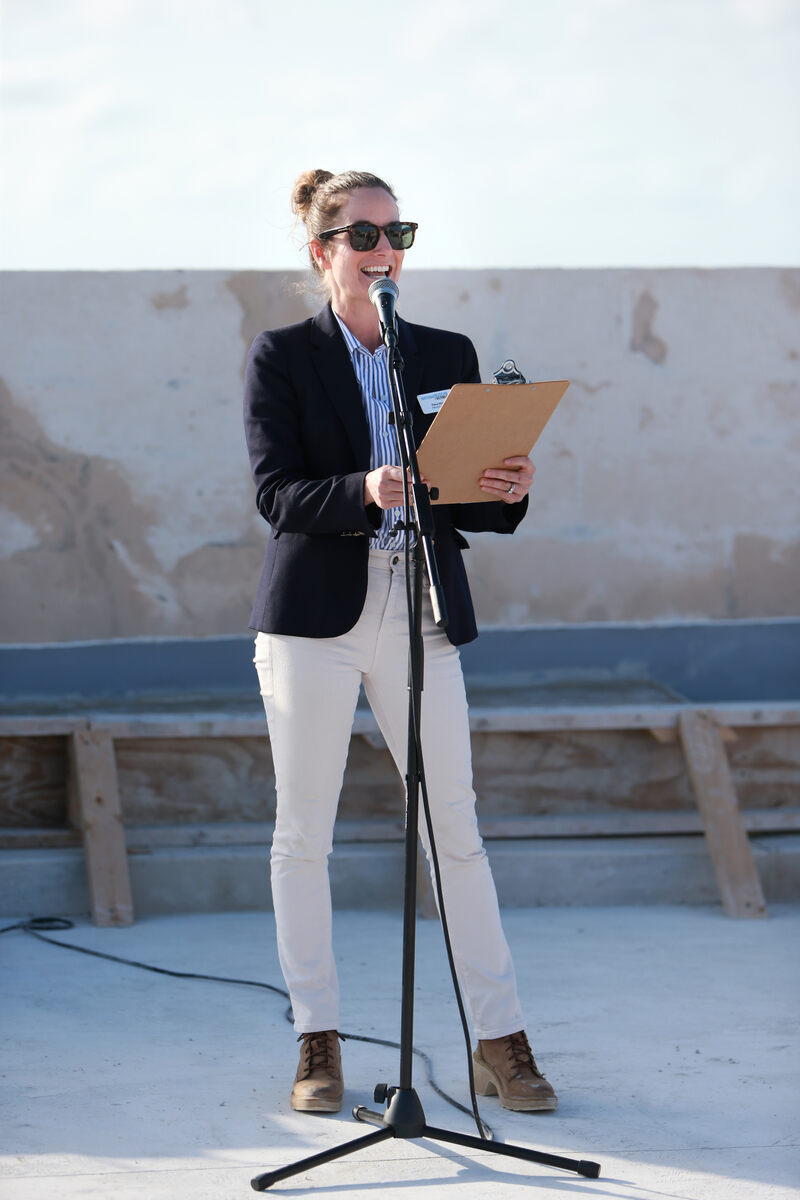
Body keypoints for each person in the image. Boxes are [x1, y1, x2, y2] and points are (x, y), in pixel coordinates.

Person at [244, 168, 557, 1116]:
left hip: (420, 603)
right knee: (305, 833)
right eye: (366, 235)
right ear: (323, 251)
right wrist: (363, 489)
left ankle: (499, 1040)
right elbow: (276, 494)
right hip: (316, 617)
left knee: (453, 825)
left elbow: (466, 500)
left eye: (398, 234)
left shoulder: (444, 352)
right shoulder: (283, 355)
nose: (386, 251)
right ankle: (317, 1037)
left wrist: (507, 487)